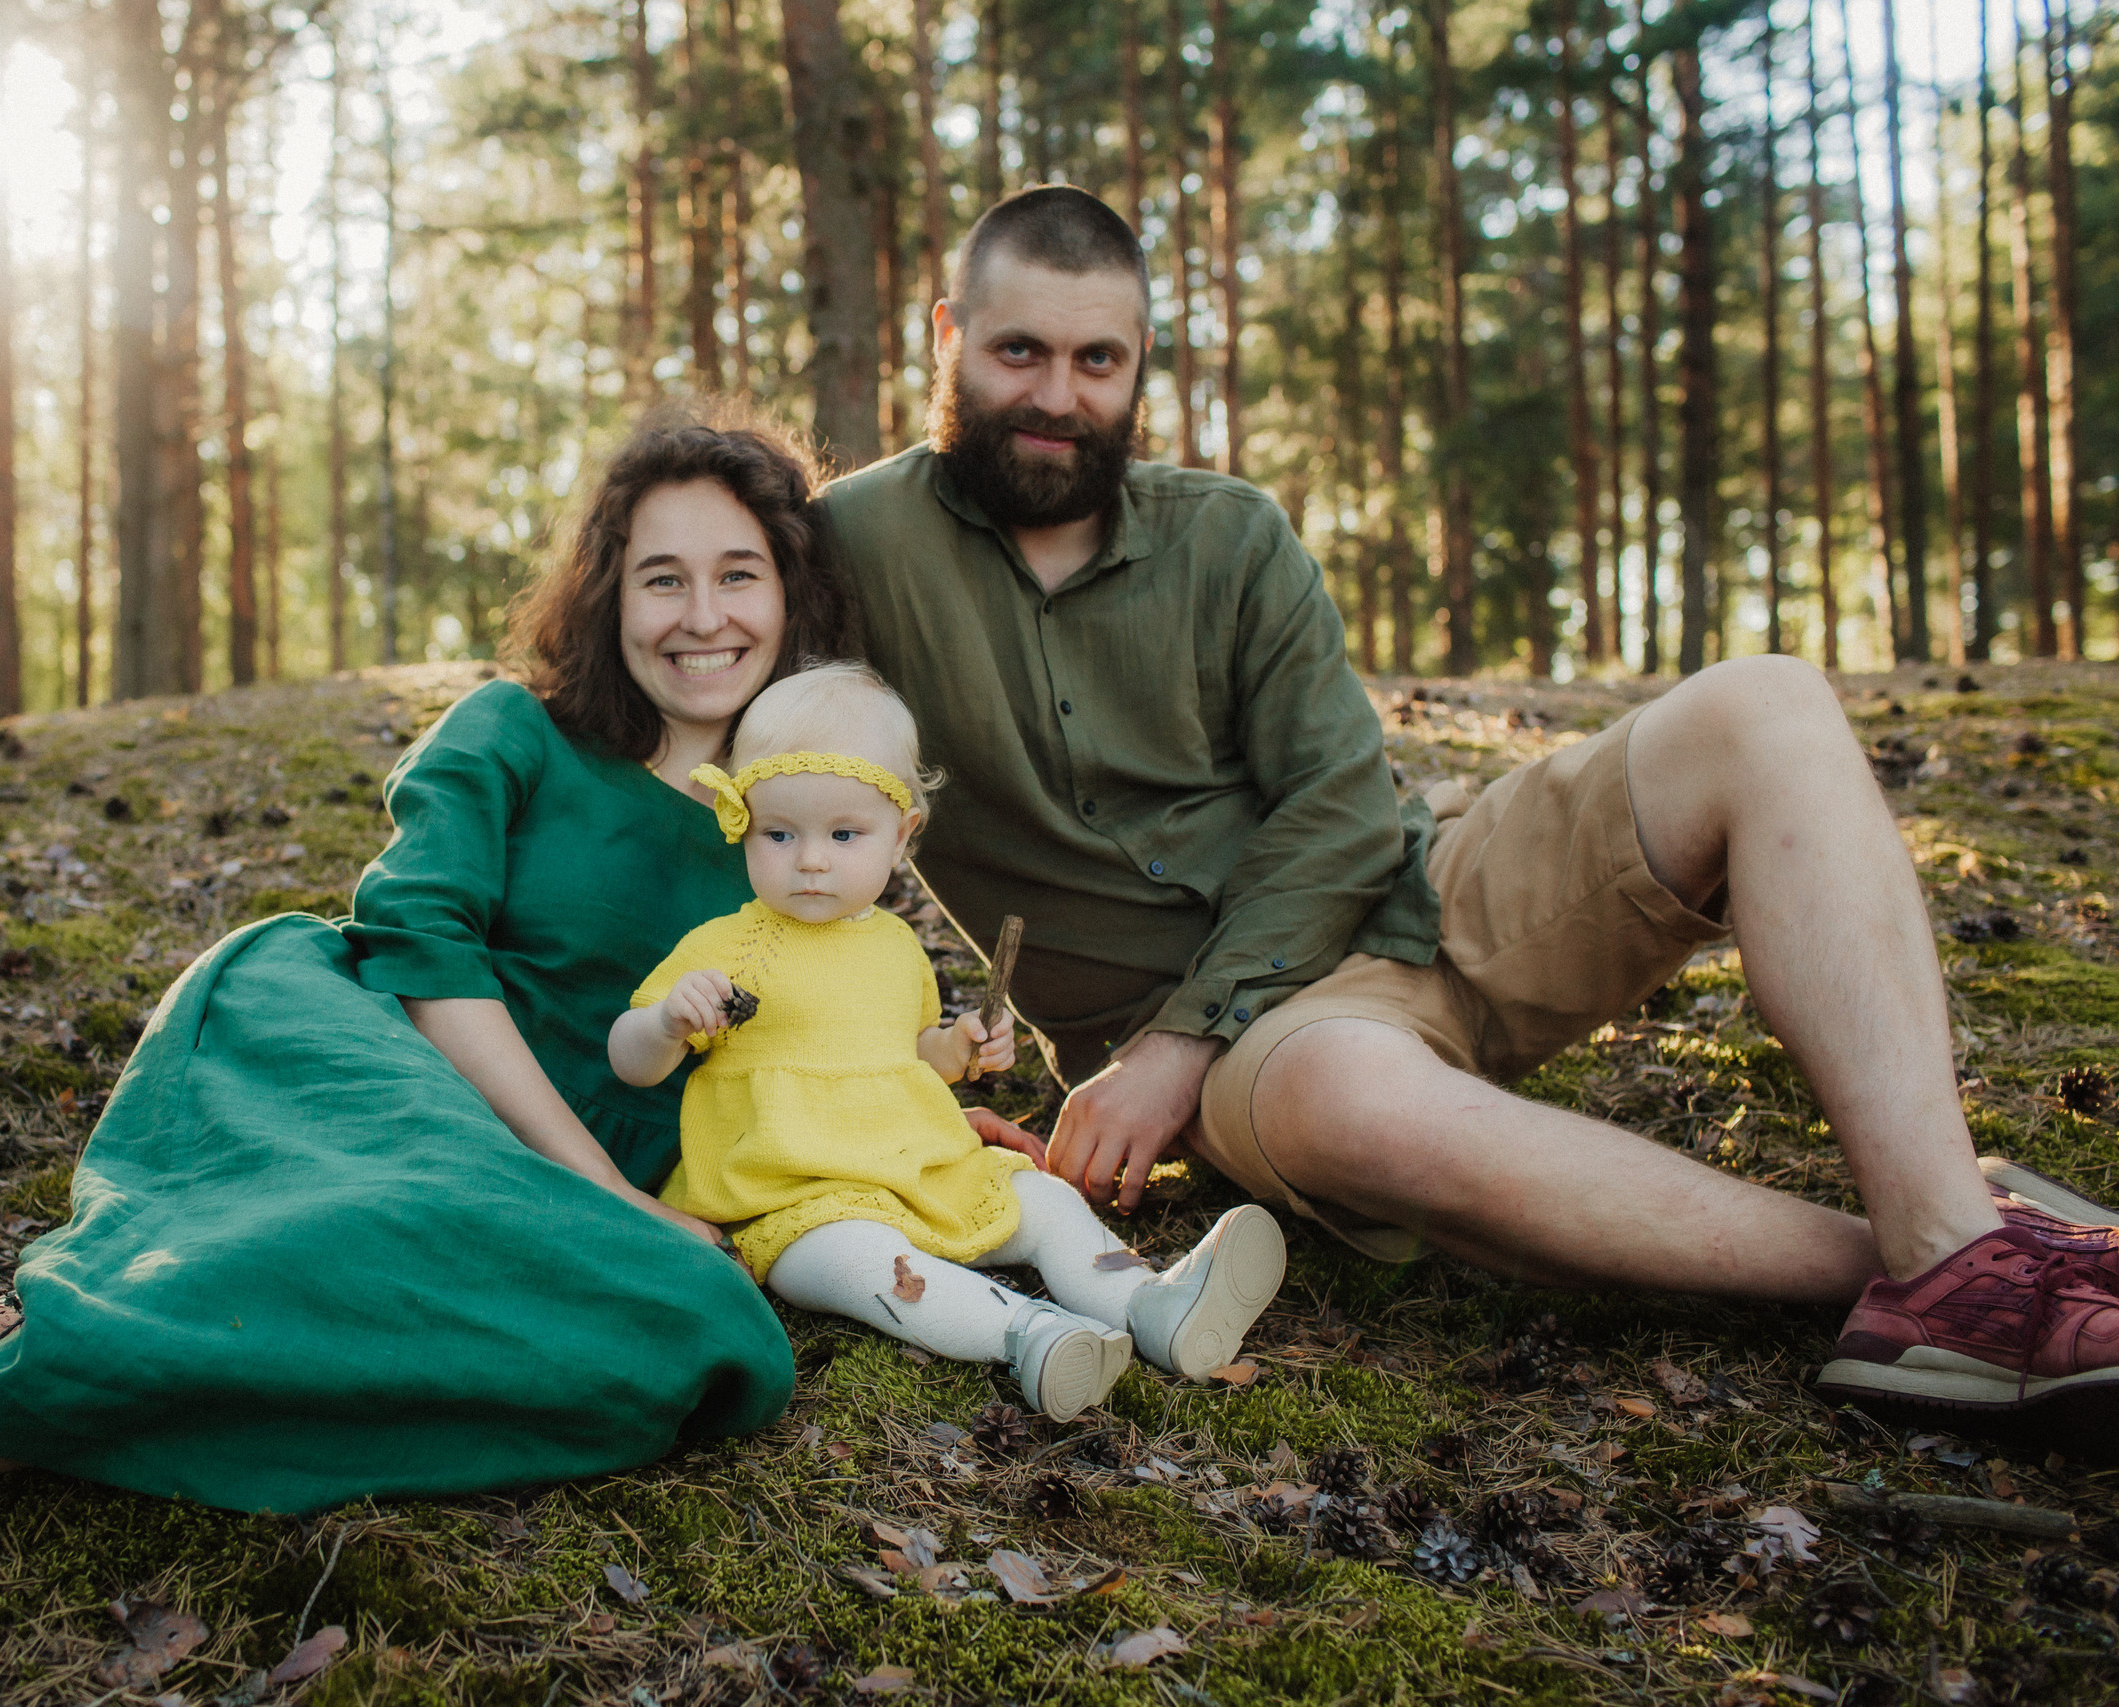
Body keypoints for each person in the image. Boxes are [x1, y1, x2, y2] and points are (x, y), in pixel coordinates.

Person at [0, 411, 853, 1704]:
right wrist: (598, 1189)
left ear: (790, 587)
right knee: (410, 1216)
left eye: (738, 571)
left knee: (710, 1336)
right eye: (661, 575)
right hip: (373, 1066)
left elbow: (828, 1046)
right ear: (609, 593)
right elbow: (426, 951)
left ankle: (50, 1323)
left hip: (553, 1198)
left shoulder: (804, 830)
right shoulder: (515, 731)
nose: (703, 614)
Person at [819, 184, 2119, 1448]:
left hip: (1420, 892)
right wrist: (1122, 1056)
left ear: (1141, 358)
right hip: (1256, 1055)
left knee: (1764, 705)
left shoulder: (1231, 537)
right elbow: (725, 746)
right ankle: (1952, 1268)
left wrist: (1172, 1045)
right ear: (949, 337)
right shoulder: (853, 549)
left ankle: (1949, 1229)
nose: (1058, 395)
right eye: (1018, 351)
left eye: (1097, 357)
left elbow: (1338, 806)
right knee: (1352, 1091)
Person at [609, 663, 1287, 1422]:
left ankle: (1149, 1305)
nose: (810, 859)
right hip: (796, 1198)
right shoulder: (727, 947)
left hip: (917, 1167)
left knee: (1039, 1199)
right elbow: (631, 1061)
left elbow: (911, 1055)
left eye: (843, 833)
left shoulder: (897, 946)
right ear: (742, 821)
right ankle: (1029, 1335)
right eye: (779, 832)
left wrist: (960, 1048)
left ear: (902, 834)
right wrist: (665, 1021)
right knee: (865, 1265)